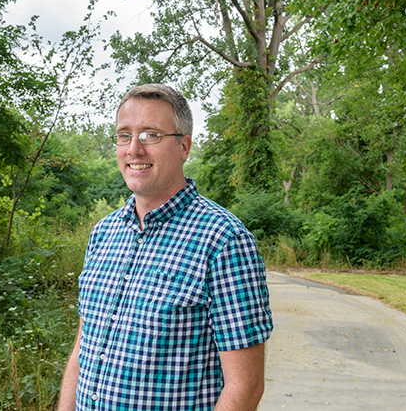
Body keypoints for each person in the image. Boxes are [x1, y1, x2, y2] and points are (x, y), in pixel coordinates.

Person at [57, 84, 273, 411]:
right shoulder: (103, 233)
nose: (134, 149)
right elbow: (82, 351)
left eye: (151, 135)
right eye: (124, 135)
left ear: (184, 146)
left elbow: (245, 386)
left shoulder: (224, 240)